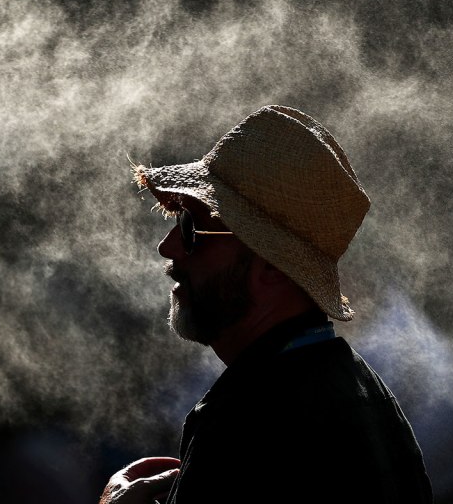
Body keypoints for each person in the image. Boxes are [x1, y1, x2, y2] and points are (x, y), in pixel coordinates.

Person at [99, 105, 434, 503]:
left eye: (192, 227)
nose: (167, 246)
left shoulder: (245, 418)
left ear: (271, 266)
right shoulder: (367, 394)